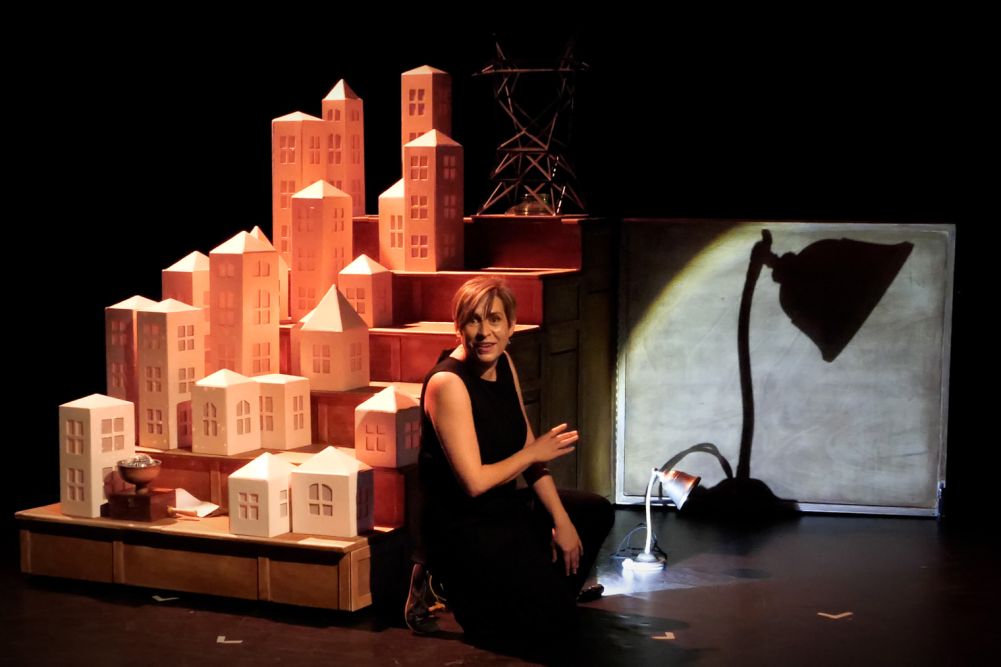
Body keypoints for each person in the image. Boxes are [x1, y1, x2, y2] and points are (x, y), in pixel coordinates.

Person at [410, 276, 613, 648]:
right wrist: (534, 453)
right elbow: (475, 482)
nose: (484, 332)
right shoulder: (447, 383)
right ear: (458, 328)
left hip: (502, 510)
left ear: (511, 326)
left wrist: (562, 521)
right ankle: (437, 579)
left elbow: (526, 444)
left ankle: (547, 596)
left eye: (494, 320)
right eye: (473, 320)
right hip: (461, 526)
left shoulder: (503, 361)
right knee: (540, 632)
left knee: (593, 511)